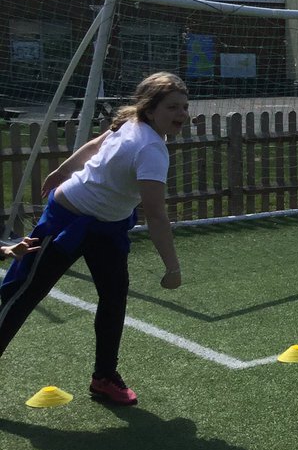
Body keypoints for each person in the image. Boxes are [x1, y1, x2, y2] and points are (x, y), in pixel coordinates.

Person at [0, 72, 189, 406]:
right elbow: (156, 214)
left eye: (184, 107)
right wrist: (172, 268)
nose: (181, 114)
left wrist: (62, 170)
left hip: (107, 229)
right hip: (66, 221)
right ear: (149, 108)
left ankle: (104, 378)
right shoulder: (147, 144)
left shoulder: (138, 127)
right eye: (173, 107)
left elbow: (96, 144)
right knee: (22, 294)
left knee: (114, 297)